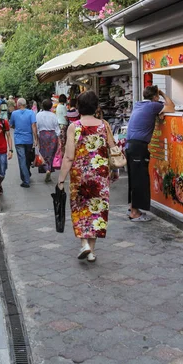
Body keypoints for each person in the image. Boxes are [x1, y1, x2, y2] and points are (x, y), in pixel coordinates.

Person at [57, 90, 116, 262]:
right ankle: (91, 250)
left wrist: (61, 179)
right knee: (97, 210)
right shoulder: (104, 125)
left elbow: (68, 157)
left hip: (80, 176)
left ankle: (84, 243)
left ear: (78, 108)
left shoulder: (74, 127)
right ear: (96, 106)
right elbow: (112, 148)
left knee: (81, 209)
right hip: (100, 176)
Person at [126, 85, 175, 222]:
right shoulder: (153, 106)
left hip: (131, 146)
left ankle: (132, 207)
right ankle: (135, 214)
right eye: (157, 95)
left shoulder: (139, 105)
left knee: (134, 178)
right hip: (138, 147)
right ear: (155, 97)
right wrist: (163, 94)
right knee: (140, 179)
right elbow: (171, 107)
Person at [10, 97, 38, 188]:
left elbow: (11, 125)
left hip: (18, 140)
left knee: (22, 159)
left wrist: (17, 128)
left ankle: (26, 180)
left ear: (18, 105)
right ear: (25, 104)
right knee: (27, 158)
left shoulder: (14, 113)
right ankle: (26, 175)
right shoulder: (31, 113)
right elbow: (33, 126)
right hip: (28, 139)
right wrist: (36, 138)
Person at [36, 99, 60, 183]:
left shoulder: (38, 115)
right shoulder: (53, 115)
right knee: (51, 153)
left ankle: (46, 169)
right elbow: (57, 128)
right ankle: (49, 169)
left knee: (43, 153)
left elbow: (37, 127)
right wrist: (59, 140)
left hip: (42, 135)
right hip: (52, 135)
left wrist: (36, 138)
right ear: (51, 107)